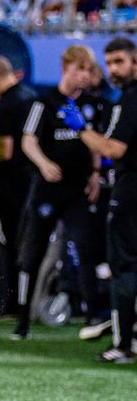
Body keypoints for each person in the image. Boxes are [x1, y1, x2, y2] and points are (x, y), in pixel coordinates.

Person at [14, 46, 101, 340]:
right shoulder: (44, 101)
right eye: (81, 69)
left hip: (77, 190)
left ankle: (92, 317)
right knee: (32, 254)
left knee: (86, 249)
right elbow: (28, 140)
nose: (86, 76)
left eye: (89, 70)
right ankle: (22, 320)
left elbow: (97, 144)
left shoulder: (93, 104)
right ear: (66, 68)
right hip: (47, 191)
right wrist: (44, 163)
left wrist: (96, 174)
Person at [69, 38, 137, 362]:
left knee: (124, 267)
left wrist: (81, 129)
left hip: (131, 193)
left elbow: (114, 149)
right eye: (109, 63)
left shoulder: (131, 99)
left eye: (119, 62)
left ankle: (124, 344)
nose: (113, 69)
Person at [0, 55, 37, 317]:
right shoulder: (31, 96)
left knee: (10, 242)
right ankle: (28, 300)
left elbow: (5, 150)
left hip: (12, 183)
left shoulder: (6, 105)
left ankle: (11, 303)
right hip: (34, 179)